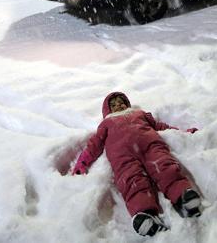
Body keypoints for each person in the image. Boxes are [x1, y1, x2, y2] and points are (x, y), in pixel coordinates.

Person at [72, 92, 201, 237]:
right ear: (107, 111)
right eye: (113, 105)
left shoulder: (140, 114)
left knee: (165, 167)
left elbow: (160, 126)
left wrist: (184, 132)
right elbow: (94, 145)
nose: (118, 105)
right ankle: (144, 214)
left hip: (151, 146)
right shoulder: (106, 123)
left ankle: (182, 196)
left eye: (121, 102)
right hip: (123, 156)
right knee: (132, 180)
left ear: (127, 104)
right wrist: (82, 163)